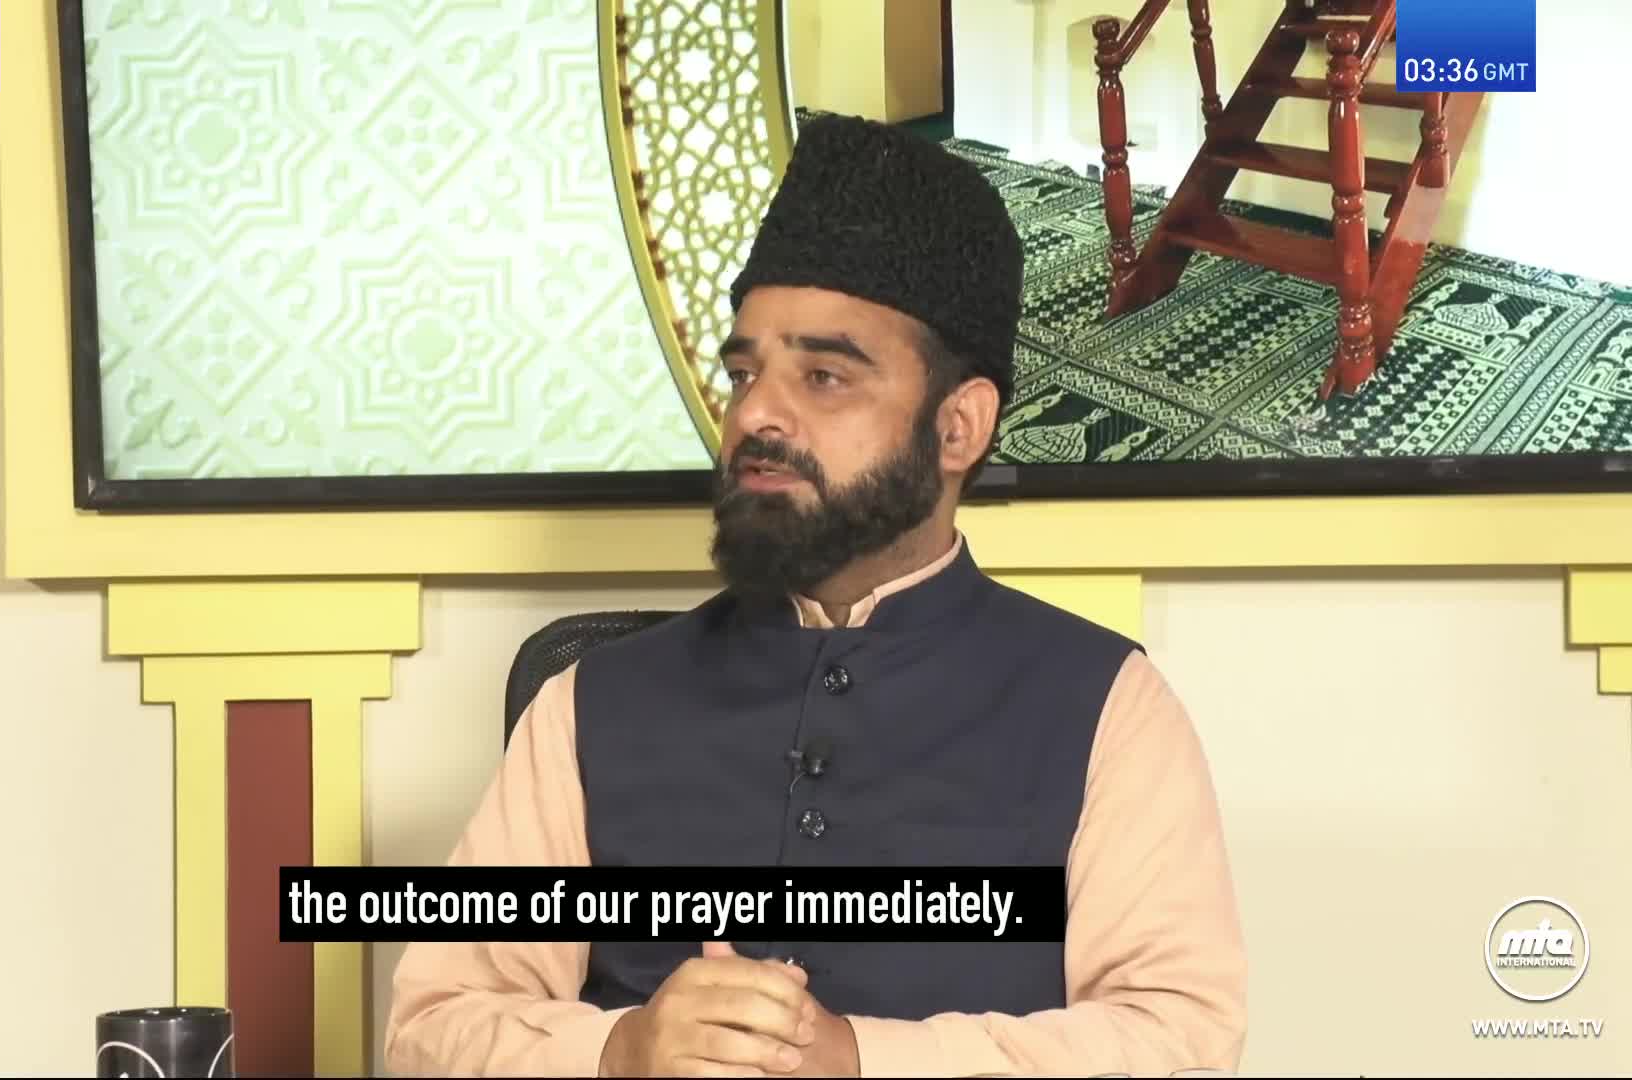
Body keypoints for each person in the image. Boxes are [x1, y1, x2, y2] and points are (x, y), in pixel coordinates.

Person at [384, 112, 1247, 1078]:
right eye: (745, 371)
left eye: (825, 376)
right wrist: (616, 1052)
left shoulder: (1105, 707)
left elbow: (1180, 1037)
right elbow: (432, 1025)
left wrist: (865, 1063)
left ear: (957, 427)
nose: (756, 413)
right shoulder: (584, 705)